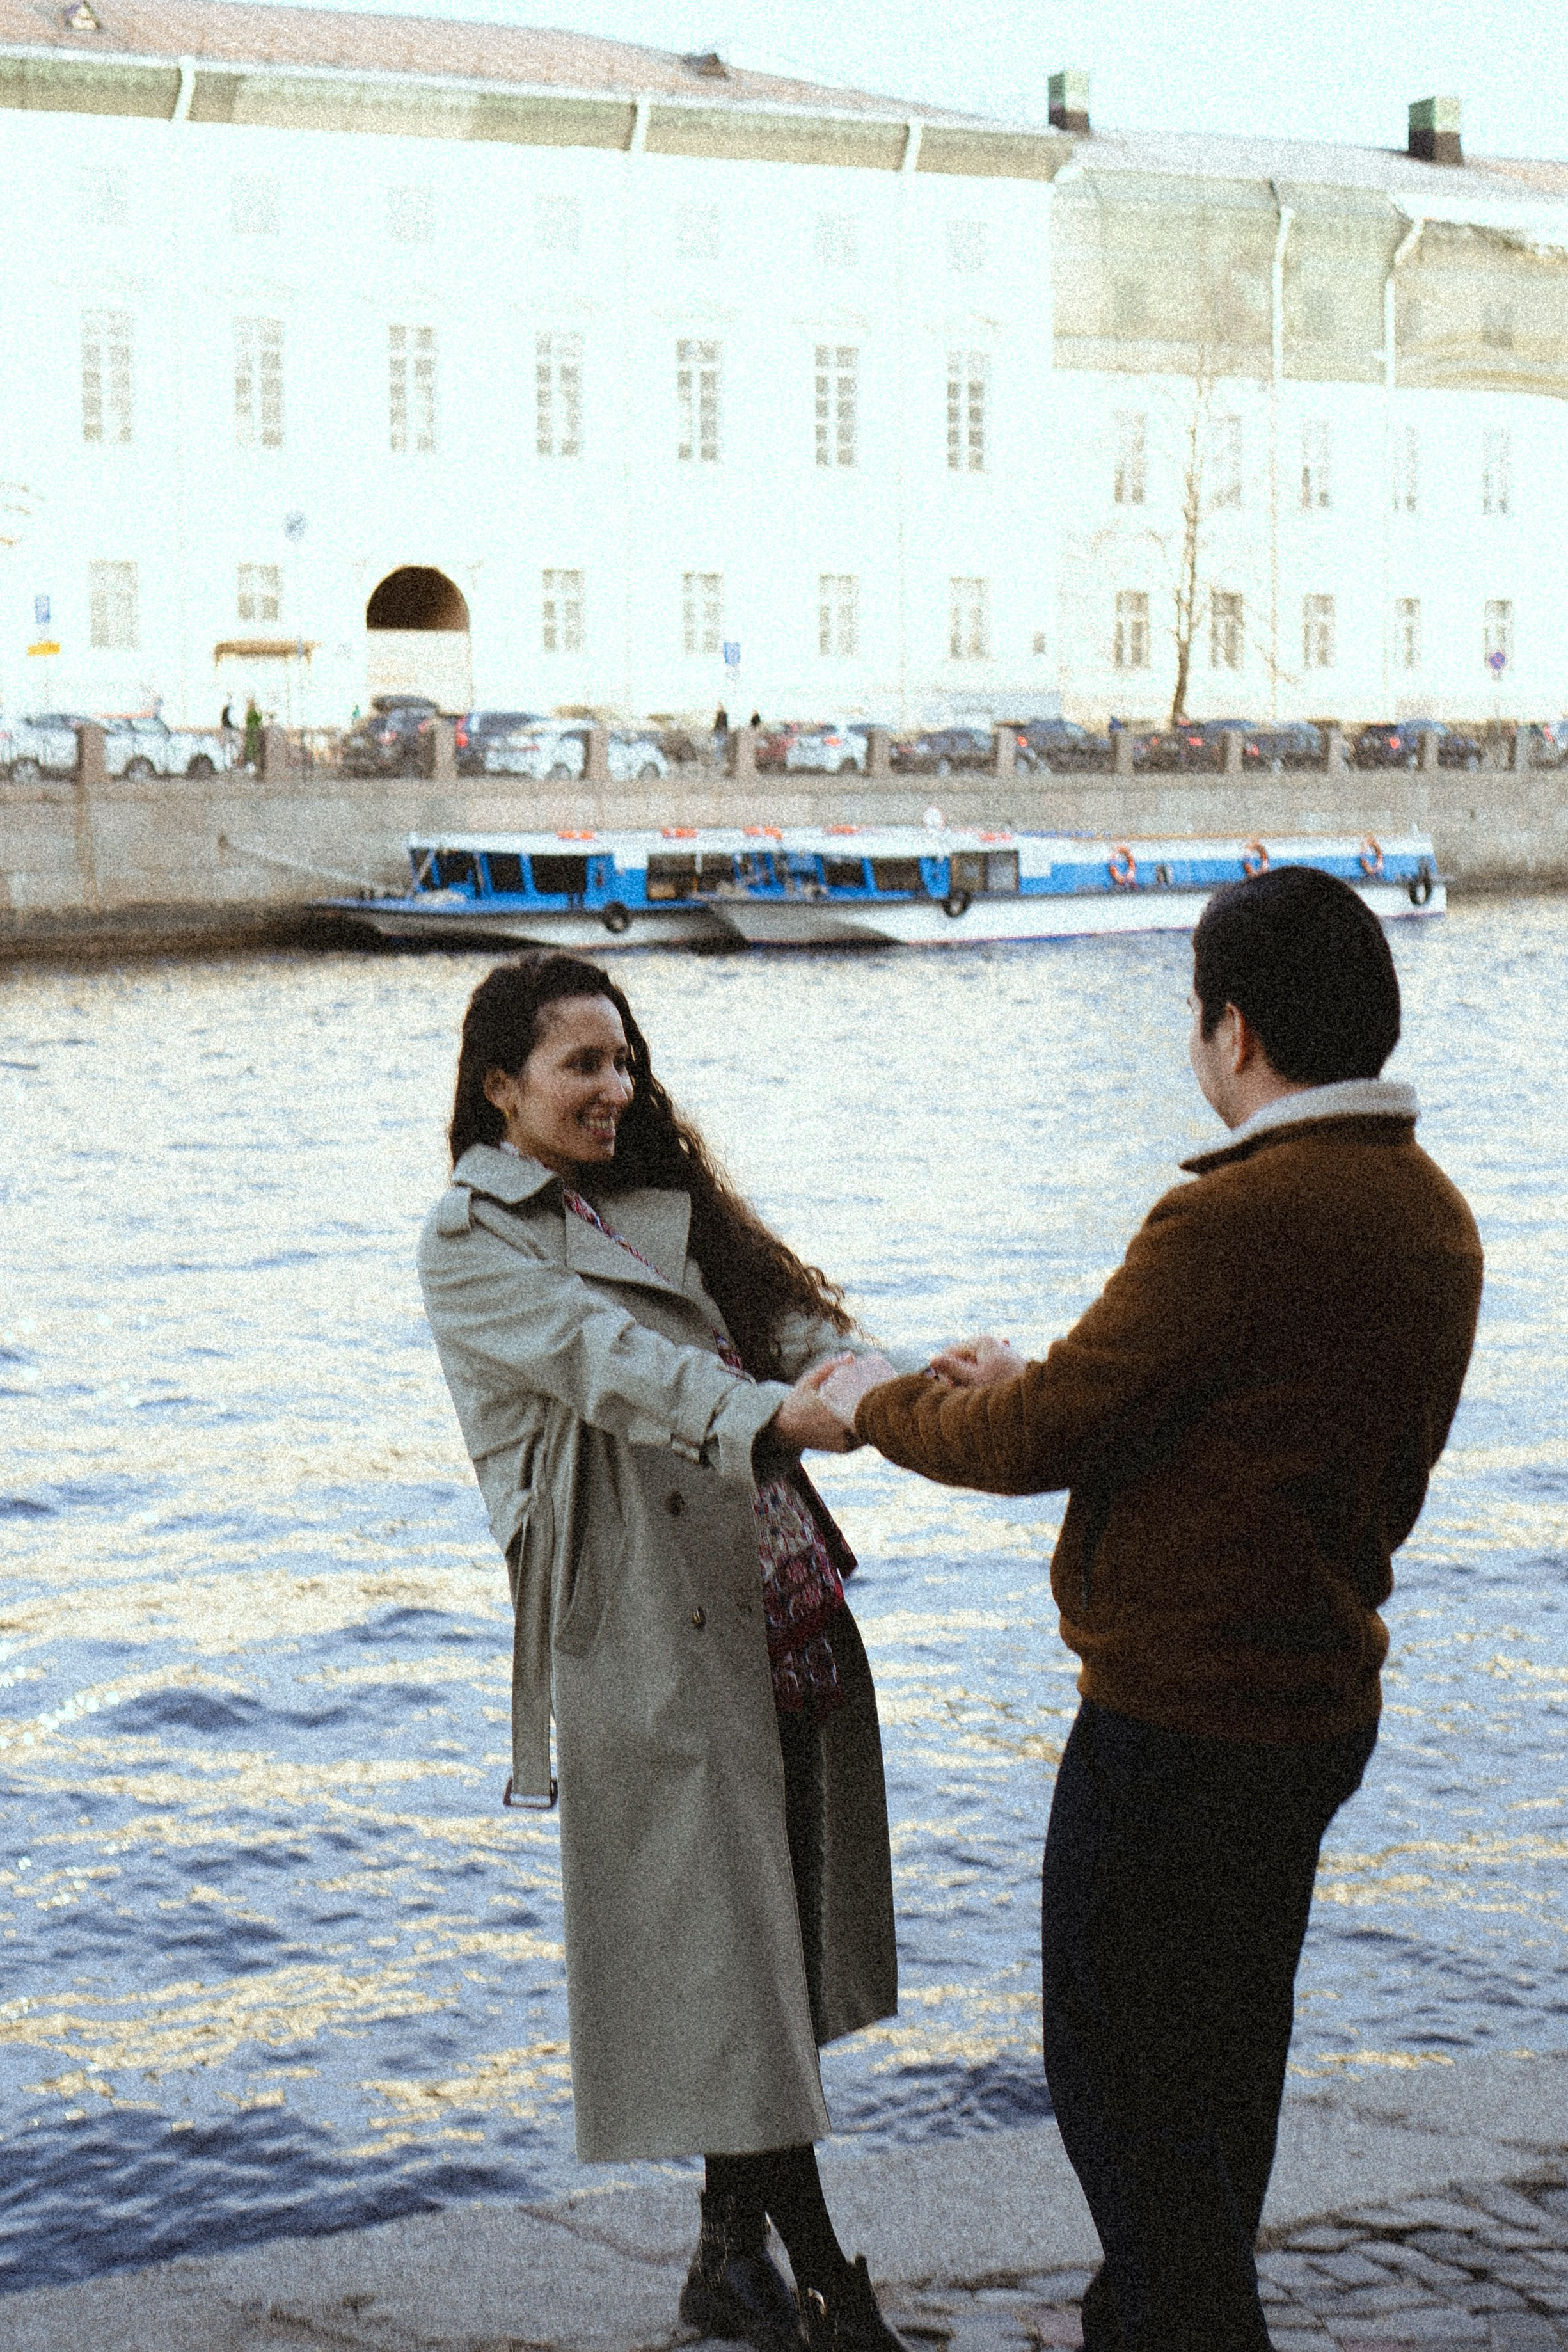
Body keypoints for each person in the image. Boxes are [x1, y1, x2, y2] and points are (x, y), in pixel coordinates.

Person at [821, 867, 1484, 2352]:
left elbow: (1032, 1441)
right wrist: (1036, 1383)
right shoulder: (1430, 1214)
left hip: (1175, 1718)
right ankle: (1172, 2310)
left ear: (1232, 1028)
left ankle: (1176, 2324)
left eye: (1198, 1018)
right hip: (1312, 1699)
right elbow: (1242, 1410)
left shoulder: (1236, 1217)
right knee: (1222, 2075)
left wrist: (875, 1400)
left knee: (1120, 2087)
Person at [417, 954, 914, 2352]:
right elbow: (612, 1365)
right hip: (642, 1624)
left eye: (622, 1060)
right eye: (579, 1065)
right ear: (499, 1086)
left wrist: (894, 1383)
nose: (612, 1087)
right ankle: (824, 2293)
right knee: (740, 1961)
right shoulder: (470, 1239)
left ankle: (721, 2259)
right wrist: (771, 1413)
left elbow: (795, 1328)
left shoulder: (666, 1203)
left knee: (763, 1951)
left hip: (770, 1599)